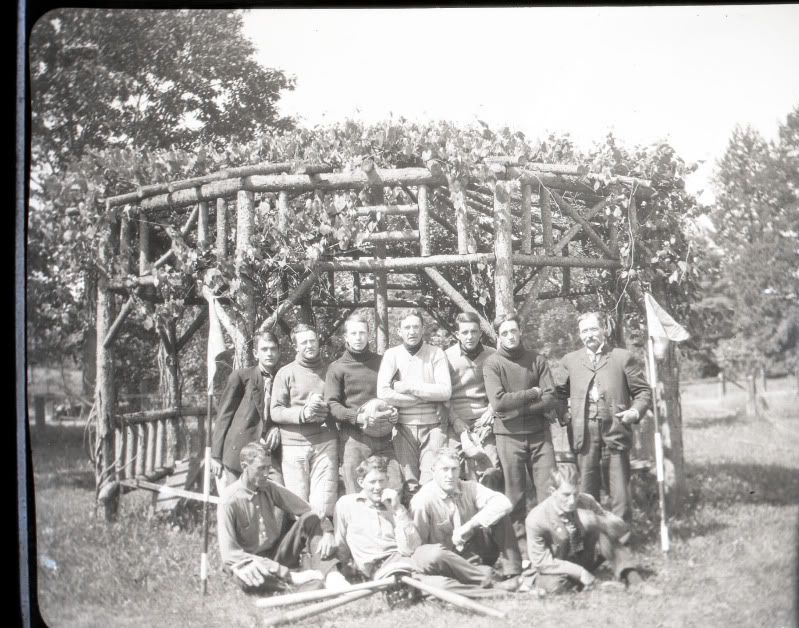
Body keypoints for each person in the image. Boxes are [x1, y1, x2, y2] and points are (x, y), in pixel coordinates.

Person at [556, 312, 651, 524]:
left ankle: (620, 543)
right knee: (586, 492)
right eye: (584, 331)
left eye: (592, 329)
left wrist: (634, 412)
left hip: (616, 429)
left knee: (620, 493)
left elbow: (643, 392)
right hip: (583, 433)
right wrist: (564, 414)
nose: (588, 335)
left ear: (603, 330)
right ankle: (593, 543)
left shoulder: (622, 357)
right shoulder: (570, 361)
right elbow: (558, 393)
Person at [216, 442, 346, 594]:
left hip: (277, 553)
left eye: (268, 467)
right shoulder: (228, 500)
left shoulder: (269, 487)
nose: (266, 473)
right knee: (244, 575)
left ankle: (332, 576)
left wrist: (328, 531)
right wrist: (284, 572)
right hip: (253, 561)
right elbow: (229, 554)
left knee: (310, 520)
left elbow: (307, 509)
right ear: (244, 466)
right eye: (261, 468)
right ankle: (295, 582)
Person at [483, 312, 558, 551]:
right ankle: (523, 552)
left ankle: (549, 547)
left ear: (520, 331)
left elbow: (550, 399)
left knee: (548, 491)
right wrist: (533, 393)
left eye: (513, 331)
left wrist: (519, 408)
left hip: (539, 435)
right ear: (499, 336)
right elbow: (499, 403)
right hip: (508, 437)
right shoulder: (493, 363)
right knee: (514, 495)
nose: (510, 336)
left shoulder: (537, 359)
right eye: (504, 333)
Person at [410, 448, 523, 591]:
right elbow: (420, 547)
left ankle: (513, 574)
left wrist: (468, 526)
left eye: (454, 469)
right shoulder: (422, 500)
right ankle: (486, 578)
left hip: (475, 550)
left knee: (499, 513)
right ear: (433, 471)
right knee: (485, 573)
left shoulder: (469, 487)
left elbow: (504, 503)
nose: (450, 475)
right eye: (444, 469)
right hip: (450, 560)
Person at [525, 465, 644, 594]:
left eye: (575, 494)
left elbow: (621, 528)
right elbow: (543, 563)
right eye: (566, 495)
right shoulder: (536, 518)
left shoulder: (586, 501)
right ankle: (594, 585)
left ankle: (635, 581)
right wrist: (579, 572)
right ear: (552, 491)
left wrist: (596, 520)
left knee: (603, 531)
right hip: (557, 567)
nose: (572, 501)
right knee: (555, 585)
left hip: (583, 557)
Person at [325, 314, 402, 494]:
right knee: (357, 492)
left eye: (362, 333)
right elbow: (332, 404)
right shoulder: (337, 368)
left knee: (393, 488)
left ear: (369, 335)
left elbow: (395, 393)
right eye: (353, 333)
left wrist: (395, 412)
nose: (358, 337)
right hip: (354, 438)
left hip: (384, 437)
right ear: (346, 337)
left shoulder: (382, 362)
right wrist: (357, 417)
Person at [271, 323, 338, 518]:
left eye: (313, 340)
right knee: (298, 506)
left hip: (325, 443)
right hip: (294, 446)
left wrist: (325, 409)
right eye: (304, 342)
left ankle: (322, 546)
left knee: (324, 506)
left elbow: (338, 402)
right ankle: (301, 547)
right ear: (296, 347)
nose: (309, 345)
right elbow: (275, 410)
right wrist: (303, 414)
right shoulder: (285, 372)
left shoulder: (331, 370)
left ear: (318, 342)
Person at [377, 309, 452, 485]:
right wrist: (425, 397)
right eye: (407, 327)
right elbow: (383, 392)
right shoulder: (392, 355)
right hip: (403, 427)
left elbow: (445, 391)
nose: (412, 332)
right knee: (409, 483)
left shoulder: (436, 353)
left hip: (434, 426)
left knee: (431, 481)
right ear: (399, 331)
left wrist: (408, 386)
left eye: (416, 327)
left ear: (423, 329)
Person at [211, 330, 283, 493]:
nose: (269, 354)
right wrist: (216, 455)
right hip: (239, 452)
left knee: (278, 495)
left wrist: (277, 427)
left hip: (268, 452)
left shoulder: (283, 377)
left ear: (279, 352)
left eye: (273, 349)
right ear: (256, 353)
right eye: (264, 349)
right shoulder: (241, 377)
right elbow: (224, 416)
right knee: (238, 501)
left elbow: (283, 411)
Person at [443, 312, 502, 489]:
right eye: (465, 332)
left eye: (474, 332)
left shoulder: (492, 355)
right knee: (453, 467)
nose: (470, 336)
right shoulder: (446, 357)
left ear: (480, 333)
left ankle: (490, 510)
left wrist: (491, 411)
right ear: (457, 334)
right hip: (456, 422)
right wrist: (455, 421)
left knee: (492, 469)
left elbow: (500, 388)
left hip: (485, 420)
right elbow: (443, 396)